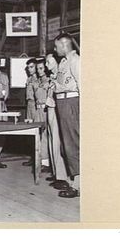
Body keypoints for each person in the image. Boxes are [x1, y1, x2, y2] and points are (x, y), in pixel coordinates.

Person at [51, 33, 80, 198]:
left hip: (71, 103)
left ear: (63, 45)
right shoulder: (64, 62)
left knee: (73, 144)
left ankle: (78, 186)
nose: (55, 50)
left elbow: (82, 86)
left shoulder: (76, 61)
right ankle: (73, 181)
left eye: (56, 46)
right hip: (62, 104)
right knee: (67, 145)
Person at [45, 54, 70, 190]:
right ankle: (56, 174)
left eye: (49, 62)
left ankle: (62, 177)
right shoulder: (52, 77)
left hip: (57, 111)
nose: (46, 65)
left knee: (57, 143)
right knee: (51, 143)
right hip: (50, 110)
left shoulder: (59, 75)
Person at [32, 58, 51, 172]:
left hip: (46, 110)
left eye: (41, 68)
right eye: (37, 68)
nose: (39, 71)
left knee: (46, 136)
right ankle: (41, 161)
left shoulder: (49, 81)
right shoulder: (36, 82)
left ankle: (47, 163)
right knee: (38, 136)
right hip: (38, 110)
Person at [22, 58, 38, 167]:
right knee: (30, 131)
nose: (29, 69)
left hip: (37, 106)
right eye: (28, 67)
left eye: (31, 67)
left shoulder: (40, 79)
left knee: (38, 131)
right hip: (29, 105)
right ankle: (33, 157)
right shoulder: (29, 79)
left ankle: (40, 159)